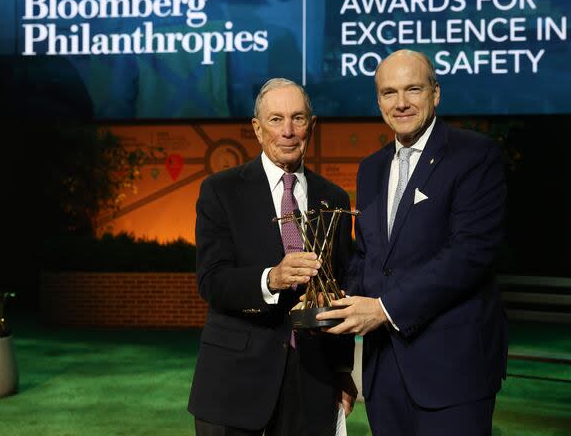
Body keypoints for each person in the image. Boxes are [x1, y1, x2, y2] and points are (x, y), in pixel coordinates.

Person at [318, 49, 508, 435]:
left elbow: (469, 255)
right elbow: (369, 256)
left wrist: (384, 310)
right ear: (378, 101)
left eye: (413, 89)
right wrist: (329, 297)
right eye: (389, 93)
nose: (401, 103)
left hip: (453, 371)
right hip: (384, 372)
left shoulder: (475, 155)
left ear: (435, 93)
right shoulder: (371, 168)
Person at [188, 78, 357, 436]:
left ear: (312, 126)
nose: (288, 131)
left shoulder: (335, 198)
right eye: (276, 119)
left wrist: (343, 370)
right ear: (257, 128)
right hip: (234, 384)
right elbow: (211, 280)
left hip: (312, 382)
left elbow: (340, 287)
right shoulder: (220, 190)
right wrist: (271, 279)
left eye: (298, 119)